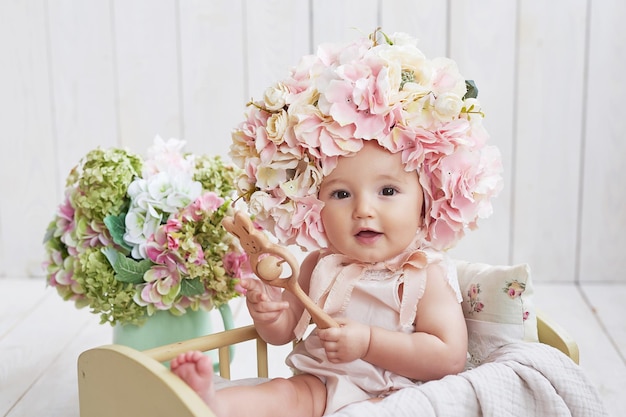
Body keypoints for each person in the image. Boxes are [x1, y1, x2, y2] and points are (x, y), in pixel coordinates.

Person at [171, 28, 503, 417]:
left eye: (388, 192)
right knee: (282, 393)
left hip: (398, 395)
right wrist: (270, 314)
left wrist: (367, 342)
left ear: (425, 203)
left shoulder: (423, 274)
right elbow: (281, 335)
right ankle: (211, 403)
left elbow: (447, 356)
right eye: (341, 194)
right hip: (323, 385)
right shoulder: (319, 265)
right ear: (315, 206)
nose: (363, 210)